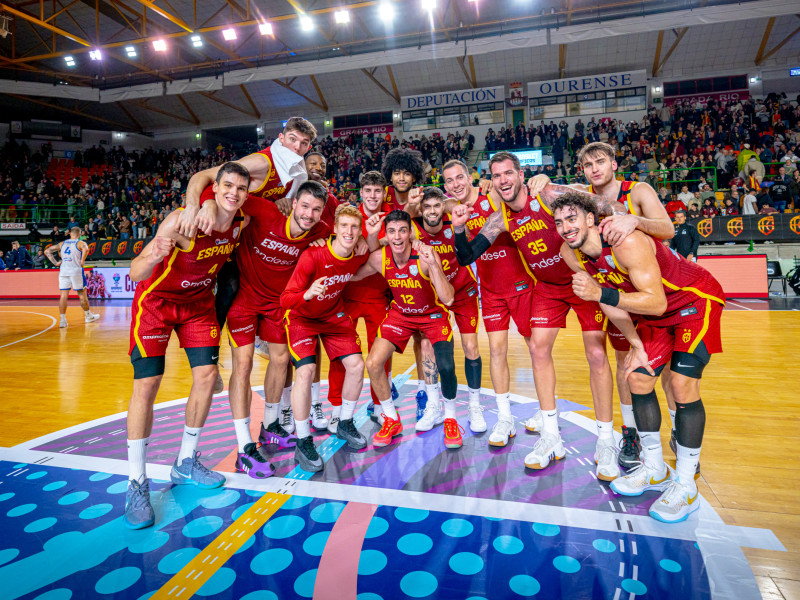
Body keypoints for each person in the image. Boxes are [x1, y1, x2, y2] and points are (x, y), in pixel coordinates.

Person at [552, 191, 725, 523]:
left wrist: (599, 292)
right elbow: (607, 303)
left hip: (693, 302)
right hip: (654, 316)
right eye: (559, 222)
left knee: (682, 385)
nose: (565, 228)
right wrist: (636, 345)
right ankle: (654, 467)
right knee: (637, 378)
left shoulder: (624, 243)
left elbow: (654, 301)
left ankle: (686, 484)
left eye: (572, 218)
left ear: (591, 219)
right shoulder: (570, 253)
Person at [453, 152, 619, 480]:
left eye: (508, 173)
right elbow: (467, 255)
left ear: (520, 174)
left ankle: (606, 441)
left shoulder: (548, 194)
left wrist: (620, 219)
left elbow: (603, 204)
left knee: (597, 354)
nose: (502, 180)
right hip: (547, 287)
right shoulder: (499, 217)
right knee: (537, 349)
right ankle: (551, 436)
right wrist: (459, 229)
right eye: (496, 175)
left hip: (582, 279)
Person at [527, 141, 675, 469]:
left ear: (613, 163)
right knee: (627, 360)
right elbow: (552, 190)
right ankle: (630, 431)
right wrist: (539, 176)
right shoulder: (581, 194)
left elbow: (668, 229)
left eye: (600, 162)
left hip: (654, 281)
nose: (595, 169)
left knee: (671, 372)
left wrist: (632, 221)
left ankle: (678, 423)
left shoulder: (637, 190)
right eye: (588, 164)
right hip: (616, 287)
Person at [123, 162, 250, 529]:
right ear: (216, 186)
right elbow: (135, 272)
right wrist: (152, 253)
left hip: (197, 306)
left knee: (208, 377)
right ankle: (137, 481)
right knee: (146, 385)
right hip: (157, 304)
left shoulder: (239, 224)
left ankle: (185, 461)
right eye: (228, 185)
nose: (234, 193)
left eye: (241, 188)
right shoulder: (182, 221)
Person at [183, 116, 317, 398]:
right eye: (293, 139)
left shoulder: (294, 172)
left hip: (244, 238)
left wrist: (277, 202)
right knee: (227, 288)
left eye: (304, 143)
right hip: (219, 231)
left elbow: (262, 204)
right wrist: (201, 204)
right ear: (281, 139)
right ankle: (209, 359)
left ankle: (261, 338)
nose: (298, 146)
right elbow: (208, 177)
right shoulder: (263, 162)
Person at [224, 180, 336, 477]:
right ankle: (243, 447)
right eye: (304, 206)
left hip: (278, 304)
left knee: (281, 359)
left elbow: (350, 238)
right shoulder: (266, 211)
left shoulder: (322, 230)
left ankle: (270, 426)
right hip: (244, 299)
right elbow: (228, 197)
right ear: (293, 202)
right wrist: (206, 204)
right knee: (244, 365)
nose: (308, 215)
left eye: (315, 210)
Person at [441, 159, 536, 447]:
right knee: (496, 350)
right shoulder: (451, 206)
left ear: (471, 177)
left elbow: (518, 189)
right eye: (449, 181)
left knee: (536, 349)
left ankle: (545, 410)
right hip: (491, 290)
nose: (456, 184)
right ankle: (505, 417)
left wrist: (538, 178)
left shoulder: (492, 195)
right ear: (445, 185)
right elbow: (424, 207)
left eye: (460, 178)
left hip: (521, 284)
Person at [354, 210, 462, 449]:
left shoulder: (424, 255)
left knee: (444, 364)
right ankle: (392, 418)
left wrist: (433, 265)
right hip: (401, 315)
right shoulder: (379, 258)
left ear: (411, 233)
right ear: (387, 234)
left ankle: (450, 418)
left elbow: (449, 298)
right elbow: (351, 275)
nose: (397, 237)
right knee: (372, 363)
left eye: (402, 230)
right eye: (392, 231)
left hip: (432, 315)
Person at [280, 205, 371, 471]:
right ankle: (303, 439)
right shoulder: (313, 256)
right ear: (334, 228)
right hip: (301, 316)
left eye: (354, 227)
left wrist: (367, 239)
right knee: (306, 371)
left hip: (332, 315)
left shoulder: (358, 253)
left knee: (356, 365)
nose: (349, 231)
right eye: (344, 226)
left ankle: (344, 423)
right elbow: (286, 299)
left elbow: (381, 243)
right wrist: (307, 293)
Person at [411, 187, 484, 434]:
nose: (432, 211)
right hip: (434, 295)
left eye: (437, 206)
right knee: (427, 346)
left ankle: (475, 406)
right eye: (427, 207)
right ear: (420, 210)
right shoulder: (412, 228)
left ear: (443, 207)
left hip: (463, 289)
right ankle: (434, 406)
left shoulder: (455, 223)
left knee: (471, 346)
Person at [328, 171, 396, 431]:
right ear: (360, 193)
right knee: (341, 356)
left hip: (379, 296)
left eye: (377, 191)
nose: (372, 196)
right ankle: (336, 410)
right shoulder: (351, 217)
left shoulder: (393, 216)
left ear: (384, 193)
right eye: (368, 191)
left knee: (381, 357)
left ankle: (380, 406)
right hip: (347, 296)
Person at [380, 147, 430, 416]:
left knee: (420, 337)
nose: (401, 177)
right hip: (385, 274)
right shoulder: (382, 196)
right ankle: (386, 386)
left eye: (406, 173)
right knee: (384, 334)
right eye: (397, 172)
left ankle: (423, 392)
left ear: (414, 176)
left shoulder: (421, 197)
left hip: (413, 274)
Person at [44, 228, 100, 328]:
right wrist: (82, 261)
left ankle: (62, 320)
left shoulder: (62, 243)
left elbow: (47, 251)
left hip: (63, 271)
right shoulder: (80, 243)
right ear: (79, 234)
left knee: (63, 296)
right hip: (75, 270)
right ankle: (88, 316)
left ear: (70, 234)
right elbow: (86, 249)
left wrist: (55, 262)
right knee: (82, 294)